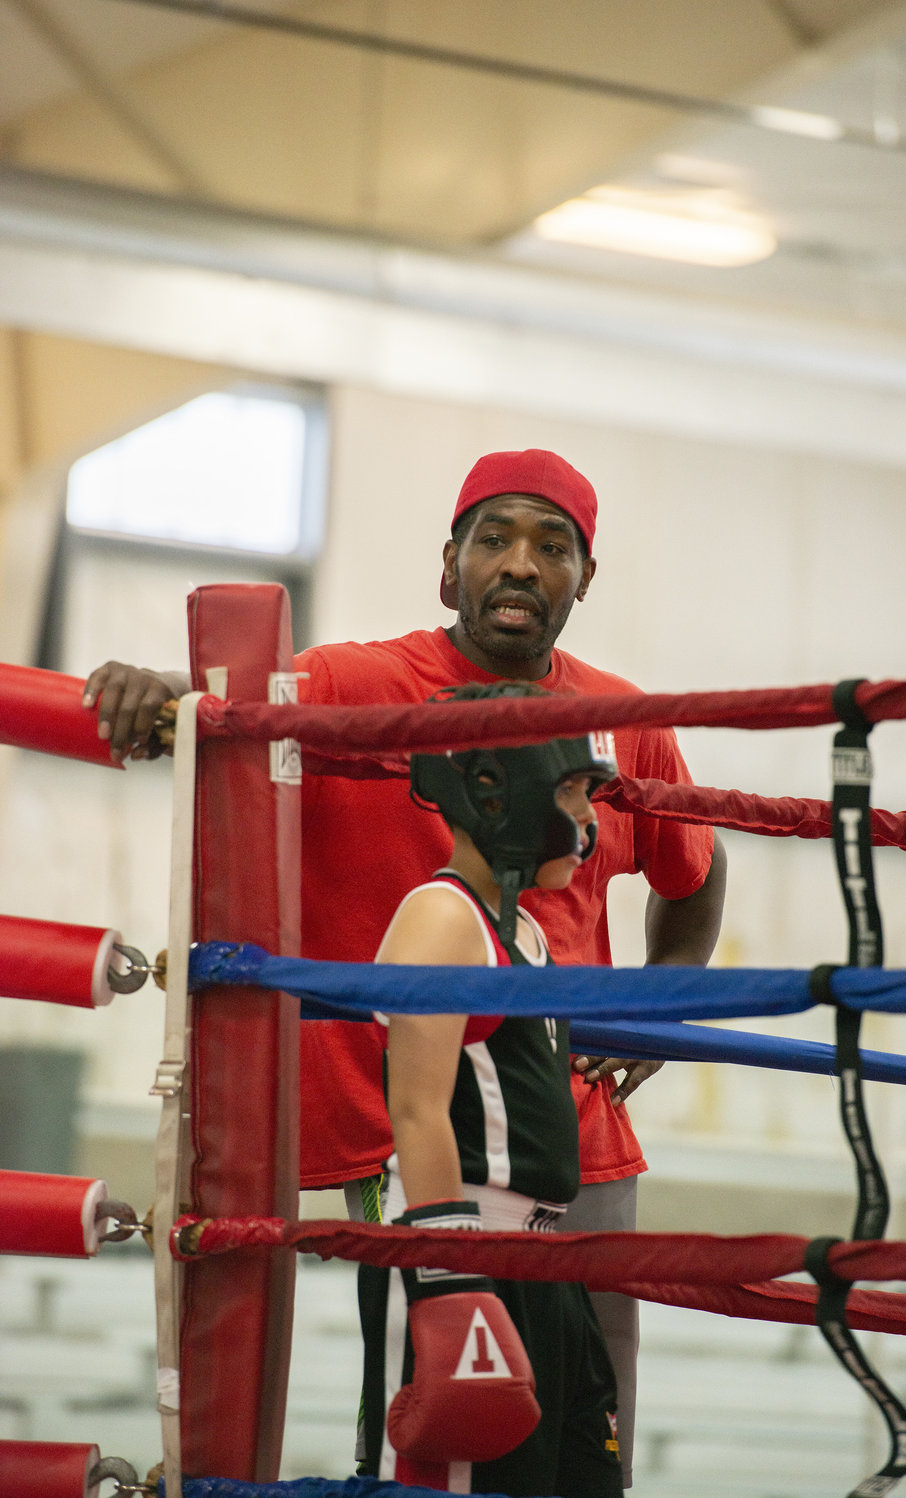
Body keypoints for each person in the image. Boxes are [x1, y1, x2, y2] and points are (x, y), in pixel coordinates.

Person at [82, 446, 726, 1485]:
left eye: (550, 546)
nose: (521, 565)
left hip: (575, 1125)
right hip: (416, 1124)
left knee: (588, 1421)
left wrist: (661, 1009)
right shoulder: (357, 683)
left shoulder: (624, 719)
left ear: (582, 579)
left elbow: (696, 868)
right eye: (495, 540)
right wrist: (150, 691)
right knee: (451, 1406)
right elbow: (224, 709)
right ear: (448, 566)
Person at [362, 680, 623, 1496]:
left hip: (545, 1261)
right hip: (466, 1248)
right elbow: (417, 1108)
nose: (587, 818)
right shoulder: (444, 917)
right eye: (575, 789)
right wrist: (449, 1284)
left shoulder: (528, 929)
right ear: (496, 788)